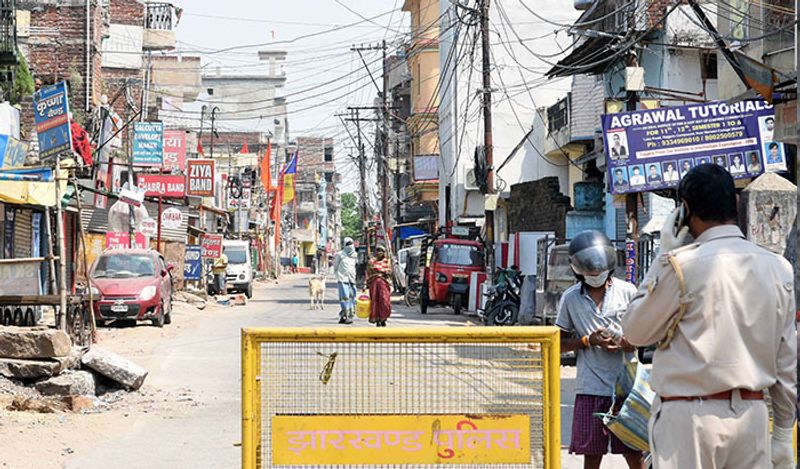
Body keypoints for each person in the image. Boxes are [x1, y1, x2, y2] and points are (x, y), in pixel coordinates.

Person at [621, 164, 796, 469]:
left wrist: (662, 258)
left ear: (685, 210)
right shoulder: (778, 268)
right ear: (736, 203)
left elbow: (635, 332)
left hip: (688, 419)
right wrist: (782, 431)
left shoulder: (679, 266)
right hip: (751, 418)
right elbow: (786, 359)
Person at [556, 230, 644, 469]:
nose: (595, 274)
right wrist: (587, 341)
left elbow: (643, 335)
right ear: (578, 269)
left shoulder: (628, 291)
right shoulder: (570, 299)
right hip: (591, 387)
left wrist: (628, 342)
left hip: (627, 387)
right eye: (589, 270)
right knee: (592, 455)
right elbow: (558, 344)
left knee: (634, 453)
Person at [367, 245, 393, 327]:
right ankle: (377, 319)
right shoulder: (371, 261)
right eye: (378, 251)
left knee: (384, 301)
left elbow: (389, 272)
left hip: (384, 283)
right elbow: (369, 272)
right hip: (374, 283)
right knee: (375, 301)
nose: (379, 253)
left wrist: (383, 271)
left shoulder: (387, 262)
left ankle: (383, 318)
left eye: (381, 251)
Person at [333, 238, 358, 324]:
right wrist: (338, 276)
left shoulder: (355, 255)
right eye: (347, 244)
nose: (349, 246)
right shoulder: (340, 255)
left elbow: (355, 266)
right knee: (344, 298)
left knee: (352, 297)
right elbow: (335, 266)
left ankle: (345, 315)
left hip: (352, 279)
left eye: (351, 244)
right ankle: (347, 316)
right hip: (343, 279)